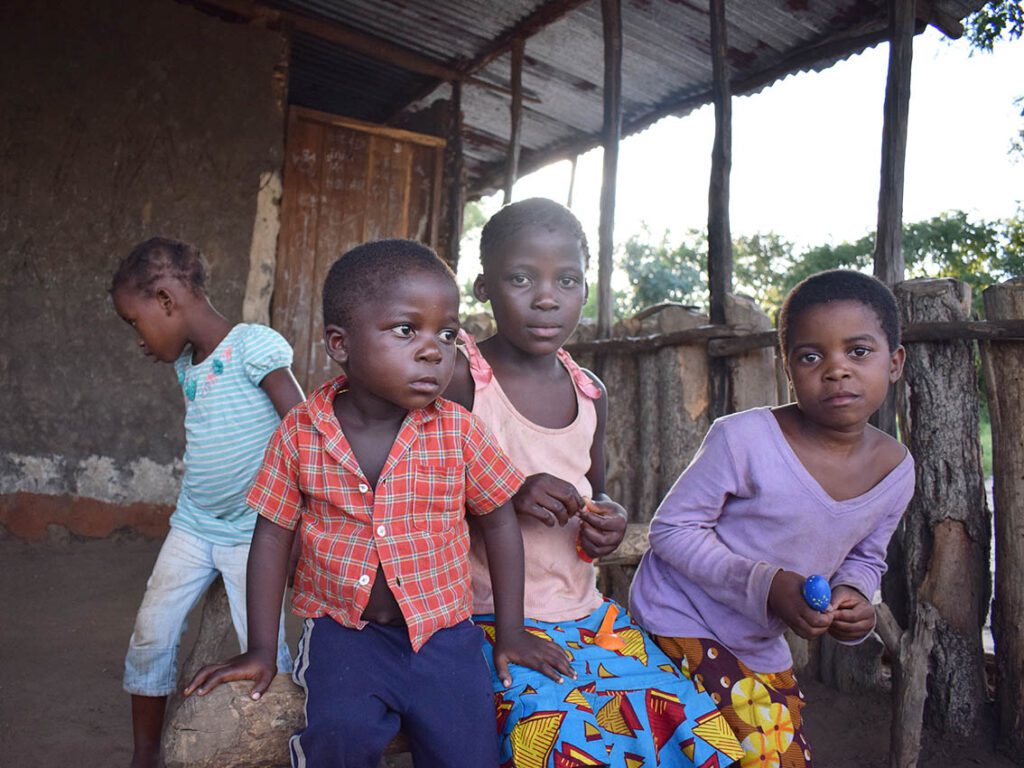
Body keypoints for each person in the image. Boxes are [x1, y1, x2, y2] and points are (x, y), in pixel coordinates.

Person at [184, 239, 572, 768]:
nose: (434, 349)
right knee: (339, 741)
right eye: (406, 330)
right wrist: (260, 648)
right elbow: (272, 536)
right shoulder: (301, 432)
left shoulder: (458, 431)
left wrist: (510, 632)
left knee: (469, 753)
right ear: (340, 344)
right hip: (346, 637)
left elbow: (501, 525)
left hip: (444, 637)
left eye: (448, 333)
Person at [444, 198, 743, 768]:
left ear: (587, 290)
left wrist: (607, 518)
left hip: (586, 611)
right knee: (566, 741)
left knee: (695, 729)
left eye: (568, 279)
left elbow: (597, 489)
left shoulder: (589, 391)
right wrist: (505, 493)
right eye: (521, 278)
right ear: (484, 287)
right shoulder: (462, 380)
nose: (547, 296)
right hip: (483, 619)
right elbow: (415, 495)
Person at [630, 269, 916, 768]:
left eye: (859, 351)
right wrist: (767, 585)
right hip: (678, 618)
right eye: (811, 356)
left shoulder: (895, 470)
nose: (836, 369)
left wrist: (852, 601)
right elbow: (671, 530)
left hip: (759, 644)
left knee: (780, 756)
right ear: (788, 369)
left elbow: (866, 557)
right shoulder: (742, 438)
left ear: (894, 363)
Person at [111, 237, 303, 768]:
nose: (139, 340)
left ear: (168, 300)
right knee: (151, 631)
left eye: (136, 321)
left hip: (253, 531)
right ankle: (146, 755)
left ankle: (279, 747)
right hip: (194, 525)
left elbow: (301, 427)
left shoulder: (252, 345)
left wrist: (299, 521)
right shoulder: (188, 365)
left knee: (268, 652)